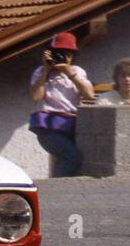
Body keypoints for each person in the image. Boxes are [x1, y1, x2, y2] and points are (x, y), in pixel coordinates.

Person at [28, 32, 94, 177]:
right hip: (48, 128)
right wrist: (46, 70)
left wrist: (69, 72)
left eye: (67, 54)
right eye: (58, 53)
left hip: (71, 126)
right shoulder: (40, 72)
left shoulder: (77, 71)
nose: (63, 58)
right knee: (72, 158)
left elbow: (89, 94)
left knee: (70, 159)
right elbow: (36, 96)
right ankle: (55, 188)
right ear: (50, 54)